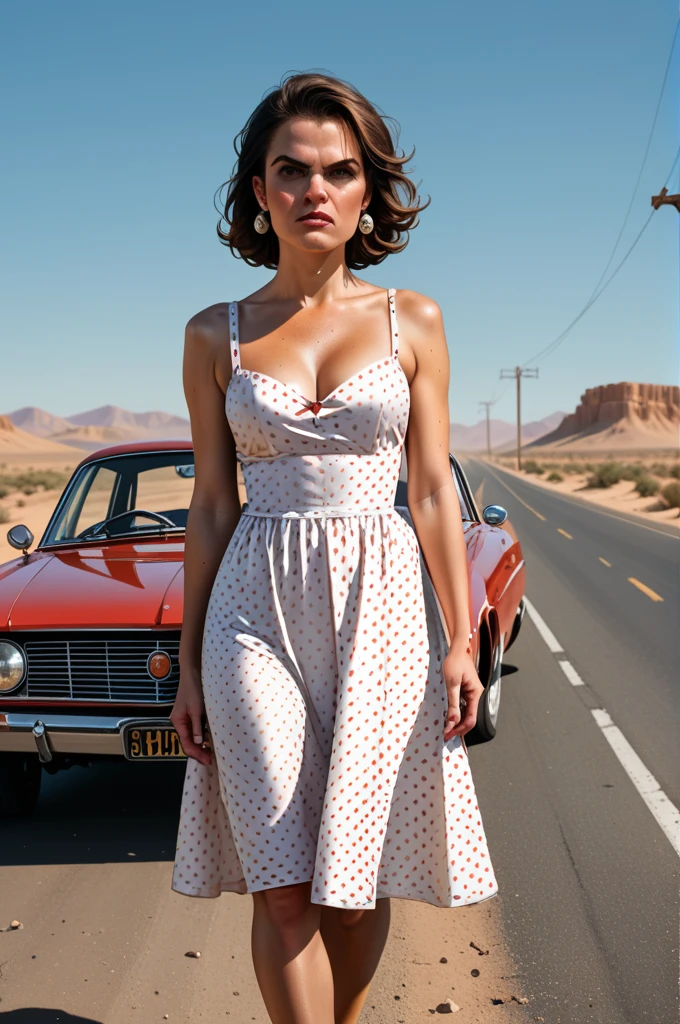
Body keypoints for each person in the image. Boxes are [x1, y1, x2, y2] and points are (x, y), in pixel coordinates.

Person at [170, 71, 498, 1024]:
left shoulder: (414, 320)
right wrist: (190, 661)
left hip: (385, 610)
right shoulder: (212, 335)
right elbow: (210, 505)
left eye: (340, 171)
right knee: (283, 884)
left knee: (352, 890)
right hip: (251, 611)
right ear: (259, 192)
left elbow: (432, 490)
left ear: (366, 195)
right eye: (292, 170)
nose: (316, 189)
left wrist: (460, 637)